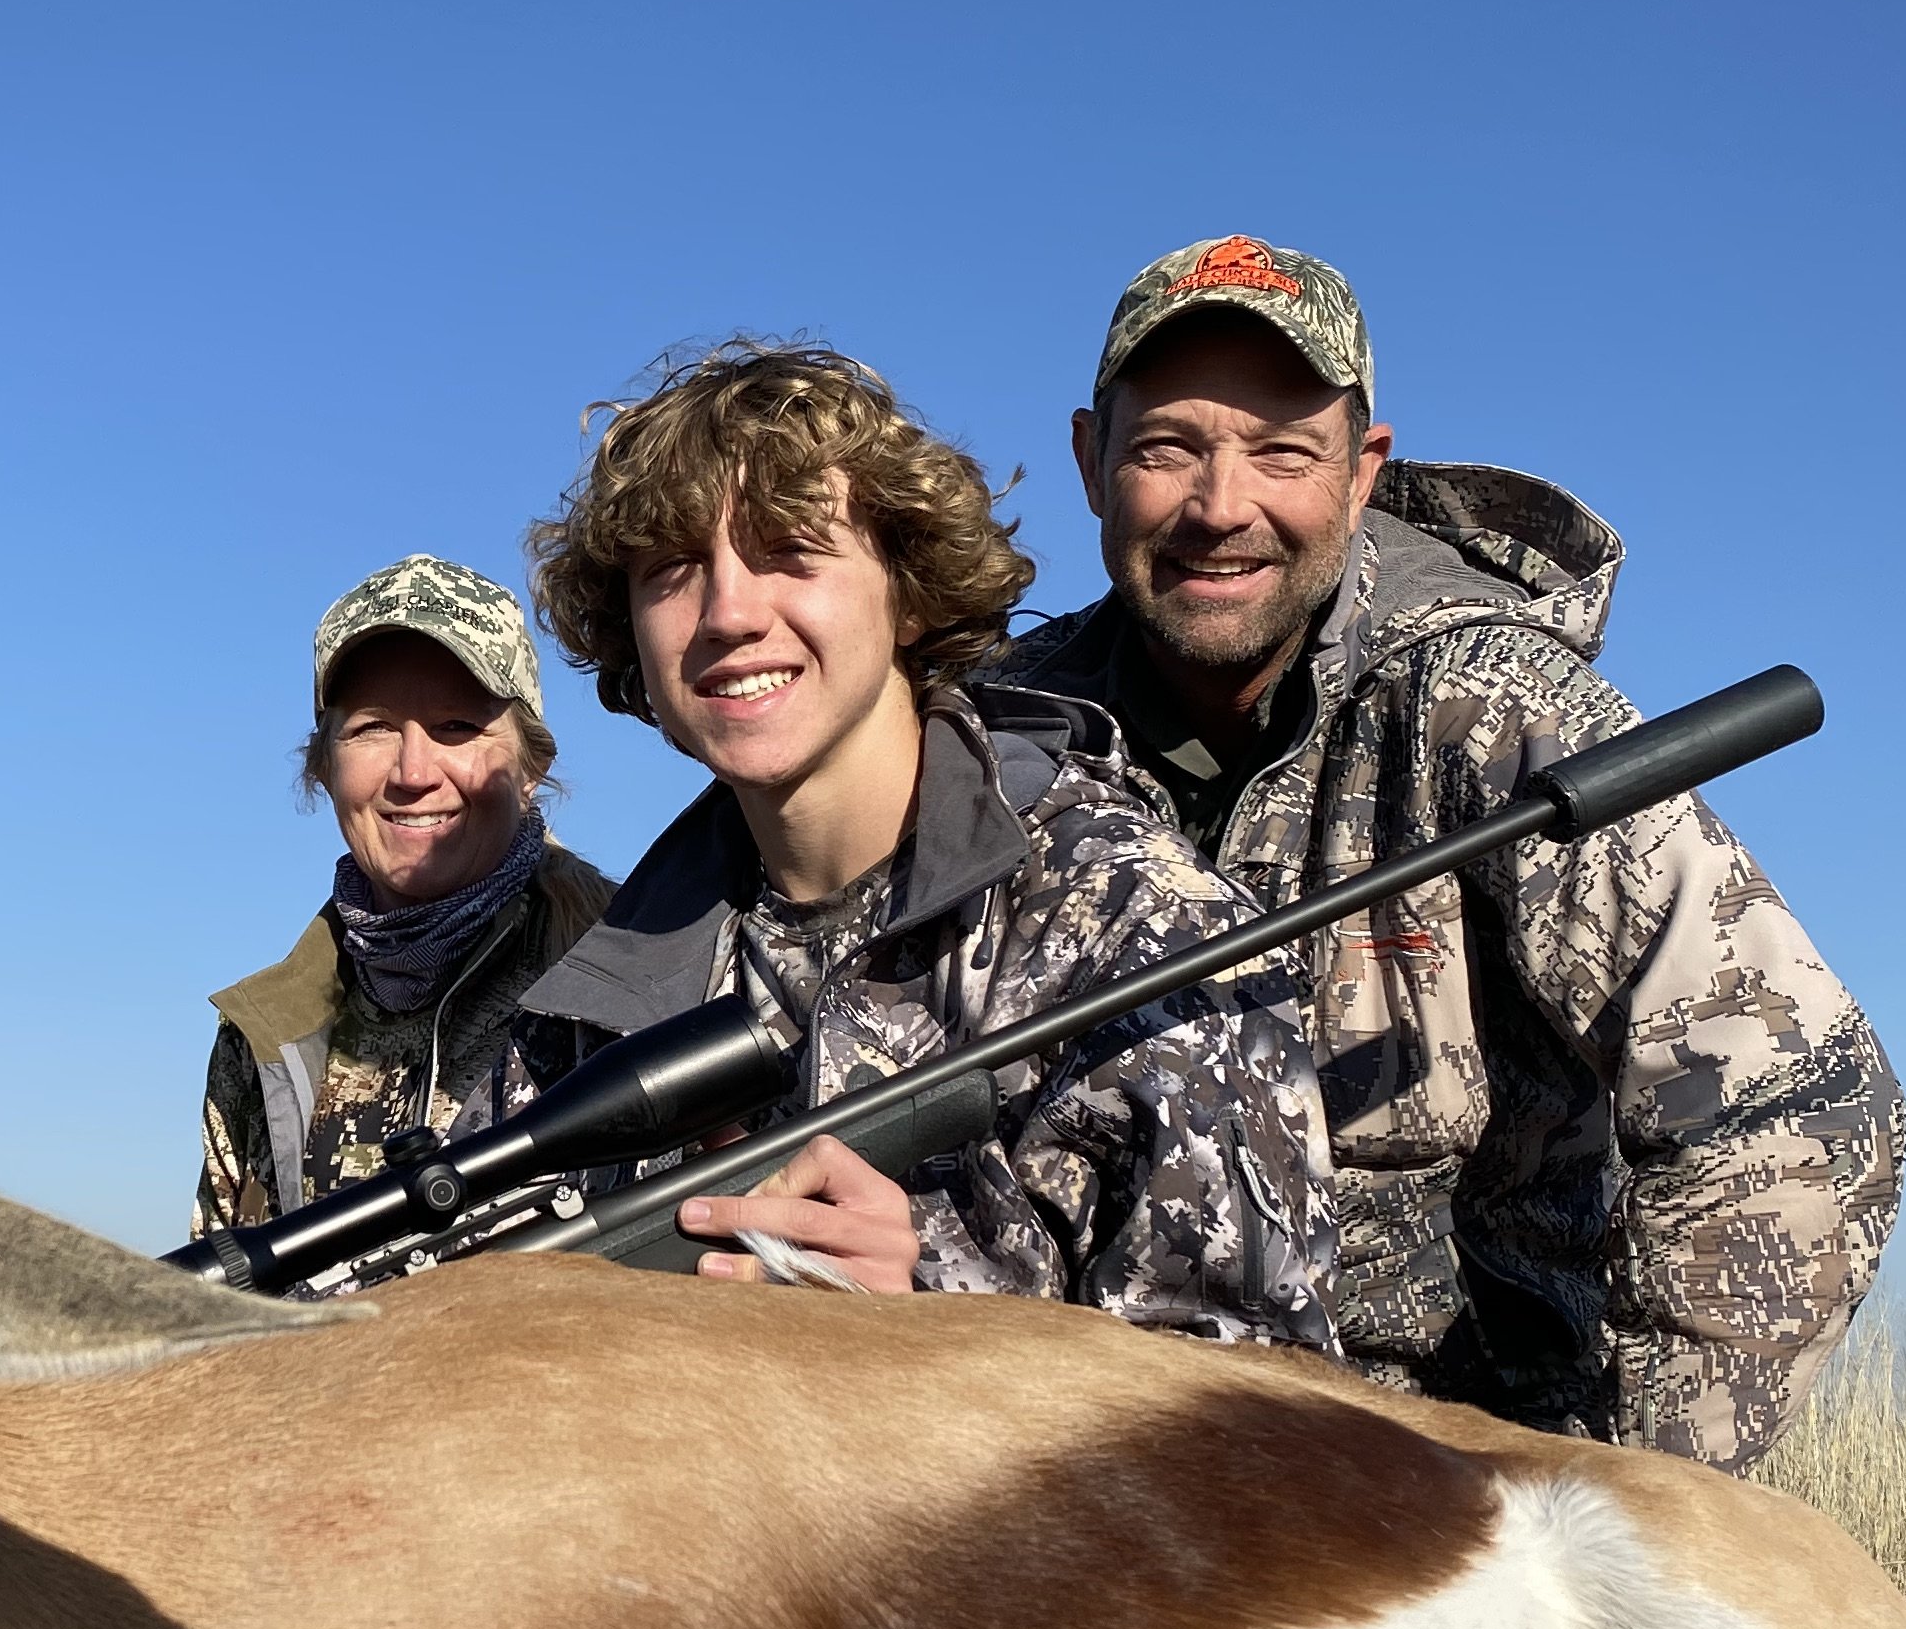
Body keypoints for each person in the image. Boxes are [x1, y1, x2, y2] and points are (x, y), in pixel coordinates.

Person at [986, 233, 1904, 1469]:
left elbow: (1797, 1100)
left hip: (1441, 1477)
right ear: (1092, 461)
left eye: (1282, 451)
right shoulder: (991, 740)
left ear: (1364, 473)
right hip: (1059, 1451)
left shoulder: (1491, 705)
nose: (1220, 506)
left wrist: (1633, 1509)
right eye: (1168, 447)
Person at [510, 342, 1336, 1343]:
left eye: (789, 550)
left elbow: (1259, 1421)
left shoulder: (1145, 925)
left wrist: (929, 1331)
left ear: (905, 589)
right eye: (672, 571)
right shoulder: (589, 1006)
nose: (729, 613)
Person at [195, 557, 614, 1267]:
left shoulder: (635, 978)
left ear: (531, 765)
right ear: (322, 766)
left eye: (457, 724)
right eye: (372, 728)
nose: (414, 773)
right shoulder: (262, 1036)